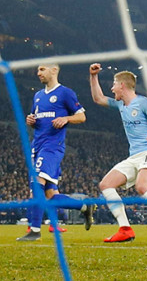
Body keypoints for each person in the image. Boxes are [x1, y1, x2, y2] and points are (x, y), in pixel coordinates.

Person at [89, 63, 147, 244]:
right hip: (134, 156)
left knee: (142, 187)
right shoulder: (121, 104)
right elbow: (98, 98)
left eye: (114, 84)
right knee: (106, 184)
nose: (112, 88)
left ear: (122, 85)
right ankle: (125, 229)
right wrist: (93, 76)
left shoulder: (144, 103)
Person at [17, 62, 94, 241]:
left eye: (42, 69)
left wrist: (66, 118)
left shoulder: (65, 93)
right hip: (37, 146)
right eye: (38, 70)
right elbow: (36, 119)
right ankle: (85, 207)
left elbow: (81, 116)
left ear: (54, 70)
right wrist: (31, 120)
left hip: (52, 147)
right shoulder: (37, 96)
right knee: (50, 195)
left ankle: (34, 230)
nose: (38, 73)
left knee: (36, 183)